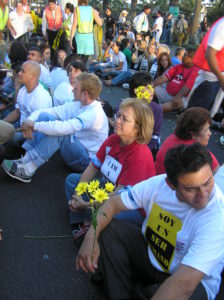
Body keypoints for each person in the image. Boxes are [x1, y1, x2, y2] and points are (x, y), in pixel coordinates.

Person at [76, 142, 224, 300]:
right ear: (171, 185)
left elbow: (184, 284)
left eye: (208, 182)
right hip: (151, 255)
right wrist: (90, 237)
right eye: (191, 189)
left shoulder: (217, 218)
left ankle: (139, 288)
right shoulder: (158, 185)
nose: (203, 195)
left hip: (190, 280)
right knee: (109, 228)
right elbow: (112, 204)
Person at [2, 73, 108, 183]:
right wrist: (31, 120)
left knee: (63, 132)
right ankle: (25, 159)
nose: (72, 91)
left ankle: (29, 169)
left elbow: (64, 128)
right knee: (45, 117)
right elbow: (47, 111)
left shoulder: (94, 114)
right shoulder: (79, 104)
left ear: (85, 94)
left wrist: (35, 126)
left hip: (86, 163)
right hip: (75, 150)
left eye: (75, 89)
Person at [66, 98, 155, 228]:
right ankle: (82, 222)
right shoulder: (113, 139)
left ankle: (89, 223)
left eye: (124, 119)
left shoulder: (139, 155)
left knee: (107, 213)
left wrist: (85, 204)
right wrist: (78, 194)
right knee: (72, 181)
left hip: (131, 207)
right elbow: (92, 167)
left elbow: (117, 197)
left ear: (138, 128)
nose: (117, 121)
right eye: (118, 115)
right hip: (107, 189)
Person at [0, 61, 52, 152]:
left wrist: (13, 130)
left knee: (10, 137)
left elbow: (35, 128)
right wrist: (2, 123)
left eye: (23, 71)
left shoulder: (41, 98)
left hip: (31, 133)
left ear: (33, 76)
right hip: (19, 125)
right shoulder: (23, 90)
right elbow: (17, 112)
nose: (19, 73)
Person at [155, 107, 219, 175]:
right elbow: (218, 172)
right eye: (206, 130)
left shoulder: (172, 137)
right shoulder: (195, 150)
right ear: (192, 133)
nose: (210, 133)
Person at [187, 17, 224, 117]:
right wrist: (222, 79)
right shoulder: (222, 25)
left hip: (216, 79)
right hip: (211, 80)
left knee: (202, 121)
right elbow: (210, 54)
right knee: (196, 120)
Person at [128, 72, 163, 159]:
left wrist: (142, 152)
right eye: (147, 88)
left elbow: (155, 135)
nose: (151, 91)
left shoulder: (157, 109)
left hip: (147, 147)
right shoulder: (126, 107)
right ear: (136, 91)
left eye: (152, 87)